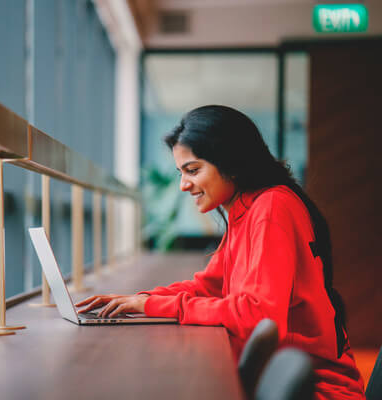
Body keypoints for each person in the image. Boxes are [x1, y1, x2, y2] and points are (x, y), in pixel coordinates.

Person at [76, 105, 365, 399]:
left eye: (193, 170)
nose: (183, 185)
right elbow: (208, 286)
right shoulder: (246, 210)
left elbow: (259, 315)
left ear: (231, 163)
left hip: (312, 391)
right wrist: (143, 300)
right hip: (275, 378)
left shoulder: (272, 208)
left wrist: (157, 306)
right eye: (181, 172)